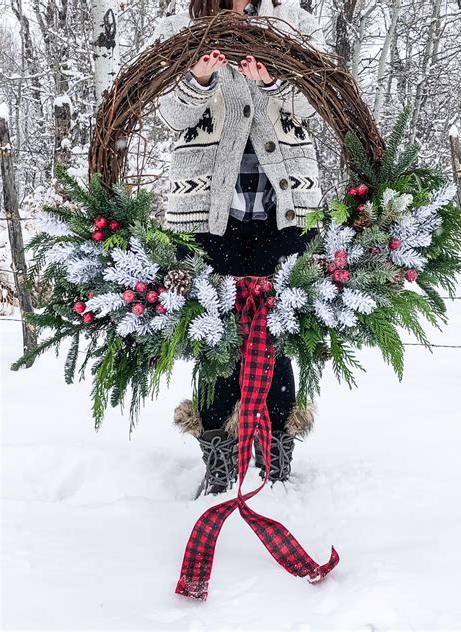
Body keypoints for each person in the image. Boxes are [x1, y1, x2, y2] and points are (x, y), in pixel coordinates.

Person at [153, 0, 327, 495]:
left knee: (279, 331)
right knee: (218, 337)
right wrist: (199, 79)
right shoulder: (184, 34)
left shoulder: (288, 29)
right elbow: (171, 114)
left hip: (283, 212)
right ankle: (220, 453)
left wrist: (274, 81)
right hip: (211, 217)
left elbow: (311, 105)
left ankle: (276, 451)